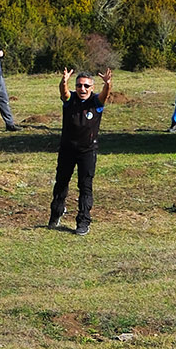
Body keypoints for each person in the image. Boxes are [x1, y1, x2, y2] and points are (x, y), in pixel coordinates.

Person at [51, 68, 110, 235]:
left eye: (86, 86)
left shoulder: (96, 102)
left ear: (92, 88)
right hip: (67, 150)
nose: (82, 89)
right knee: (61, 183)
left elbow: (105, 95)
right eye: (79, 86)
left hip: (87, 151)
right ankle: (56, 212)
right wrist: (64, 82)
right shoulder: (70, 100)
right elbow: (64, 93)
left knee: (85, 186)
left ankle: (83, 221)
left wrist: (107, 84)